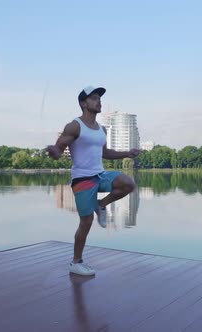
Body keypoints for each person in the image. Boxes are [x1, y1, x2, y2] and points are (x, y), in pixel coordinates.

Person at [46, 86, 140, 276]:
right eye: (94, 98)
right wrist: (54, 151)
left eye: (99, 98)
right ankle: (76, 262)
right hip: (82, 179)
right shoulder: (74, 126)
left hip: (100, 174)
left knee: (128, 184)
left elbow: (106, 153)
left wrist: (126, 153)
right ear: (83, 103)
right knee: (86, 222)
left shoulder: (101, 129)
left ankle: (101, 205)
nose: (99, 102)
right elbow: (59, 148)